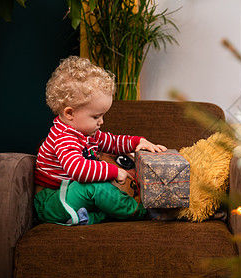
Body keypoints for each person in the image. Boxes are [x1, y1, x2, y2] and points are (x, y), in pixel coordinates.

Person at [34, 56, 167, 225]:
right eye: (96, 116)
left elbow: (112, 141)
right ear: (69, 113)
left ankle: (88, 219)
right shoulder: (63, 137)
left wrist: (138, 142)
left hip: (68, 194)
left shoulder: (86, 133)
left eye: (103, 115)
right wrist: (113, 171)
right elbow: (77, 169)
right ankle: (142, 212)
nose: (101, 122)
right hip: (52, 200)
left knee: (102, 196)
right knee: (96, 187)